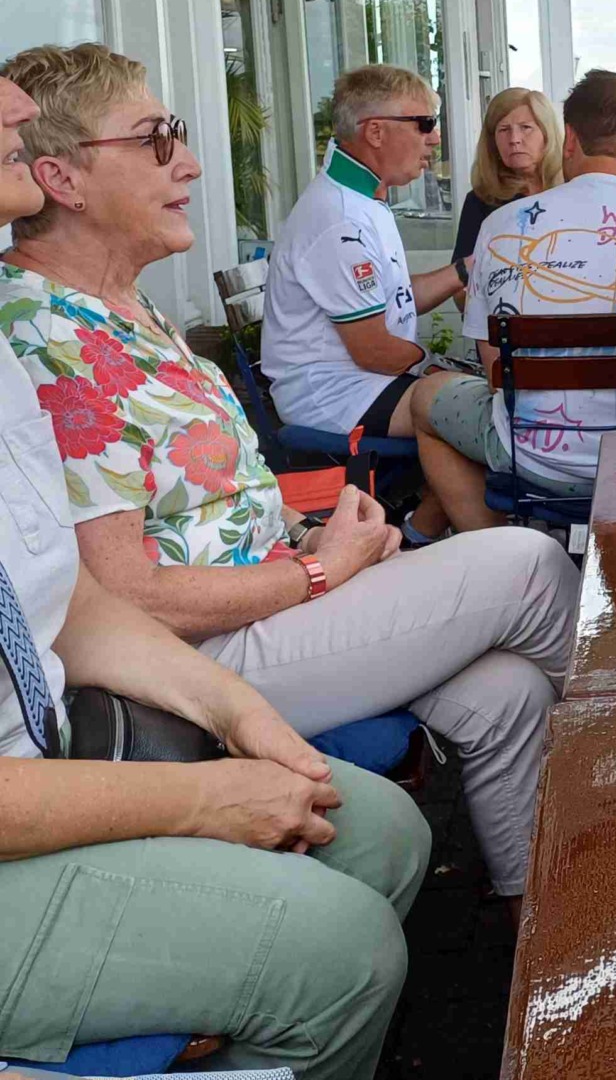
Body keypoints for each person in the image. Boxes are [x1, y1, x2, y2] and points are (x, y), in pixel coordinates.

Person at [0, 43, 580, 912]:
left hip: (274, 598)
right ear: (63, 179)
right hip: (195, 658)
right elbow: (124, 593)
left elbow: (204, 506)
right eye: (155, 139)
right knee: (528, 563)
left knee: (508, 691)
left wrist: (319, 536)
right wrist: (319, 569)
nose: (189, 162)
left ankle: (545, 917)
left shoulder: (122, 307)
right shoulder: (40, 333)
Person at [0, 72, 428, 1080]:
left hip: (65, 743)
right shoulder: (37, 328)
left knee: (385, 833)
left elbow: (65, 598)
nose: (14, 97)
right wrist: (198, 801)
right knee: (343, 952)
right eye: (154, 139)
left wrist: (241, 716)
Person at [412, 70, 616, 530]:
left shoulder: (501, 224)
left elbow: (495, 371)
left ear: (569, 140)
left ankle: (501, 553)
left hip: (535, 458)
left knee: (425, 399)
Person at [260, 64, 462, 538]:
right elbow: (375, 351)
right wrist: (438, 366)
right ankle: (426, 540)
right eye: (425, 123)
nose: (435, 138)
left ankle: (420, 534)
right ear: (375, 132)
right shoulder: (340, 218)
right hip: (335, 394)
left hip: (355, 381)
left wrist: (464, 271)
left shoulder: (360, 195)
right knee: (471, 417)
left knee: (472, 408)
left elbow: (397, 299)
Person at [452, 86, 562, 271]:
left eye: (525, 128)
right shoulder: (481, 201)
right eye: (504, 130)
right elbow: (461, 284)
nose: (514, 139)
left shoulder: (573, 188)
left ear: (547, 134)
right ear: (492, 142)